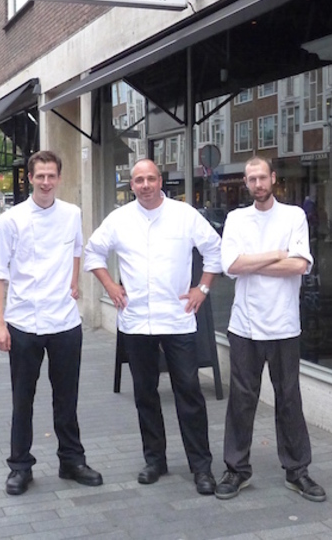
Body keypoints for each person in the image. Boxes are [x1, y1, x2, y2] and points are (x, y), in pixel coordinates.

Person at [84, 158, 222, 496]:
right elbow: (92, 253)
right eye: (138, 180)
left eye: (150, 179)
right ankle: (155, 460)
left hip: (177, 318)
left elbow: (215, 251)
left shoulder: (184, 215)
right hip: (135, 321)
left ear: (161, 181)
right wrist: (111, 288)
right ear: (131, 185)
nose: (145, 185)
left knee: (188, 393)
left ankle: (201, 467)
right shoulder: (119, 219)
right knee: (145, 394)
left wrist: (201, 289)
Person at [0, 149, 102, 496]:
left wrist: (74, 282)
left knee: (67, 397)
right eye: (41, 176)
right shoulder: (12, 219)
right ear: (30, 178)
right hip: (23, 321)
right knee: (23, 398)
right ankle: (20, 465)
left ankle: (71, 460)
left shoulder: (72, 214)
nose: (47, 182)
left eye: (52, 176)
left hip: (65, 322)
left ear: (59, 178)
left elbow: (77, 250)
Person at [214, 156, 324, 502]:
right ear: (245, 183)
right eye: (251, 179)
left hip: (284, 325)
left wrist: (254, 261)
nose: (257, 184)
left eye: (262, 177)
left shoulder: (293, 216)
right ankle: (236, 469)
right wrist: (277, 254)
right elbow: (230, 265)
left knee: (289, 399)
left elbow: (300, 265)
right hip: (244, 325)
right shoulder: (236, 218)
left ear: (273, 178)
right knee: (241, 400)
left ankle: (298, 471)